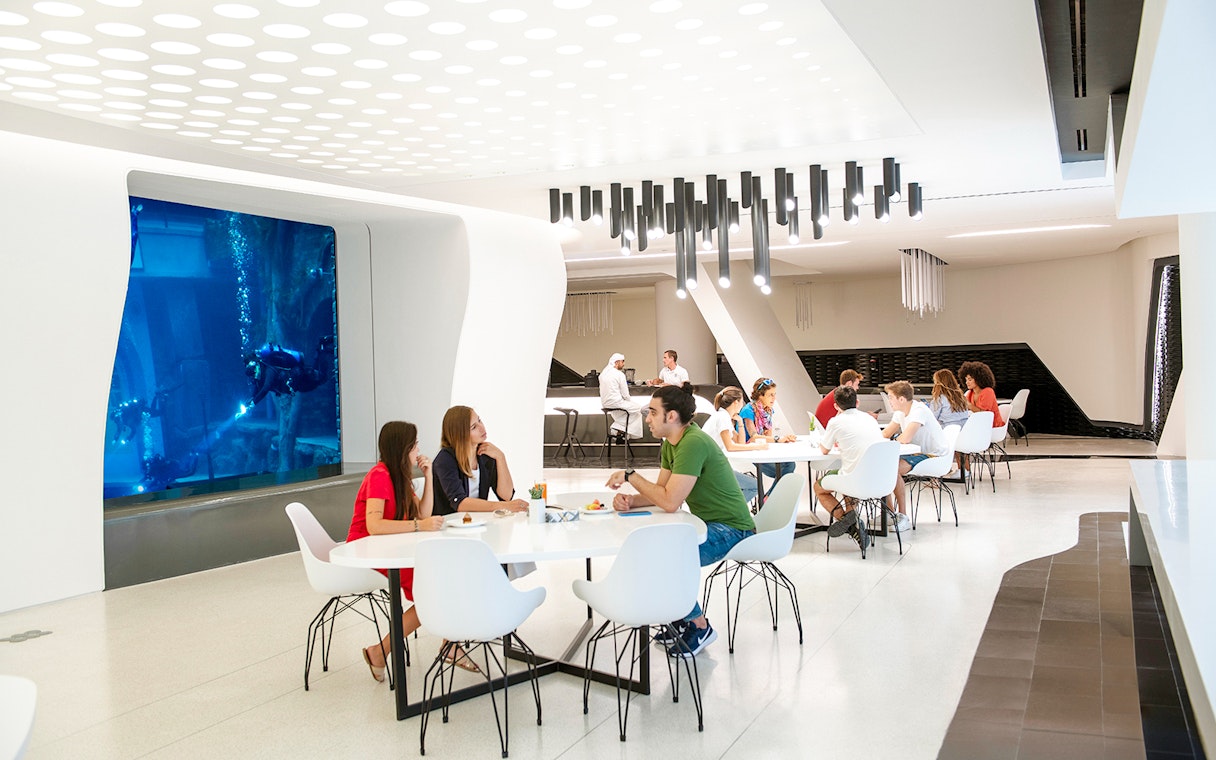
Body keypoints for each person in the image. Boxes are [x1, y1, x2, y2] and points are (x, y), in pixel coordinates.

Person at [606, 385, 756, 659]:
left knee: (668, 556)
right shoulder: (671, 444)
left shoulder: (693, 443)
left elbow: (670, 502)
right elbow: (662, 492)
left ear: (671, 416)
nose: (648, 418)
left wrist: (630, 475)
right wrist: (631, 501)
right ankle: (681, 616)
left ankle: (699, 625)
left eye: (653, 412)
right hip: (706, 524)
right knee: (658, 551)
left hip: (734, 530)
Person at [347, 421, 446, 683]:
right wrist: (419, 526)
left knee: (435, 585)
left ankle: (384, 651)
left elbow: (424, 514)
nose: (418, 451)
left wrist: (428, 476)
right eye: (414, 446)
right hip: (367, 552)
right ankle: (382, 651)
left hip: (389, 549)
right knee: (431, 593)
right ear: (403, 449)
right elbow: (374, 525)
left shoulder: (399, 477)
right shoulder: (380, 475)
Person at [813, 386, 883, 549]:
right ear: (857, 402)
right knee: (848, 469)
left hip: (853, 479)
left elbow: (824, 449)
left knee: (819, 487)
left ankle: (851, 525)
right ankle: (853, 520)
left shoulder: (836, 421)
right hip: (879, 477)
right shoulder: (869, 419)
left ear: (836, 406)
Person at [432, 406, 529, 515]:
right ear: (460, 435)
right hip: (447, 525)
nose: (482, 428)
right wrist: (504, 506)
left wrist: (501, 457)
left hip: (477, 523)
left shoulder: (485, 454)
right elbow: (460, 503)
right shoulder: (445, 459)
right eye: (474, 427)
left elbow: (506, 496)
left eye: (479, 420)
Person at [881, 381, 950, 531]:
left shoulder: (919, 410)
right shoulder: (900, 413)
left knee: (892, 469)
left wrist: (890, 441)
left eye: (891, 397)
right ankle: (889, 513)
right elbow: (886, 433)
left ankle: (902, 516)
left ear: (901, 399)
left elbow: (905, 438)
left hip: (934, 455)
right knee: (883, 467)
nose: (889, 401)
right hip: (919, 453)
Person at [699, 386, 769, 505]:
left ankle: (728, 509)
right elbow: (730, 447)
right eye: (742, 401)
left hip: (711, 466)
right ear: (736, 402)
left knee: (751, 485)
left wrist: (740, 422)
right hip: (711, 468)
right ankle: (730, 511)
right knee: (754, 486)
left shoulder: (723, 416)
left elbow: (739, 443)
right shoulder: (723, 417)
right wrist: (756, 446)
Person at [739, 377, 796, 491]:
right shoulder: (748, 410)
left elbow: (767, 437)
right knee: (786, 469)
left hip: (761, 450)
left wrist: (784, 439)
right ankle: (769, 499)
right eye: (771, 395)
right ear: (760, 395)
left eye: (774, 394)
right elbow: (754, 437)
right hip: (749, 452)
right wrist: (778, 439)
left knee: (788, 465)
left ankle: (769, 498)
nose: (774, 398)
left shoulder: (767, 410)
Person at [598, 352, 644, 441]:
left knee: (624, 415)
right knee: (638, 409)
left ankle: (621, 433)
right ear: (616, 362)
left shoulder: (603, 374)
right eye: (622, 362)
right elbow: (625, 394)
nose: (623, 364)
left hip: (605, 404)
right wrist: (629, 401)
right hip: (617, 403)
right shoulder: (619, 374)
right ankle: (616, 428)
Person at [814, 369, 878, 427]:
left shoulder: (837, 393)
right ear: (849, 384)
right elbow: (851, 418)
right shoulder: (841, 396)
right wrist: (868, 417)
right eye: (857, 384)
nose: (857, 388)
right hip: (827, 430)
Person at [958, 361, 1004, 428]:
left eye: (969, 380)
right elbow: (965, 408)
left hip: (991, 426)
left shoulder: (988, 391)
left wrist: (968, 404)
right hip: (979, 424)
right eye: (966, 380)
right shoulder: (971, 392)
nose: (967, 382)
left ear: (979, 379)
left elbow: (983, 414)